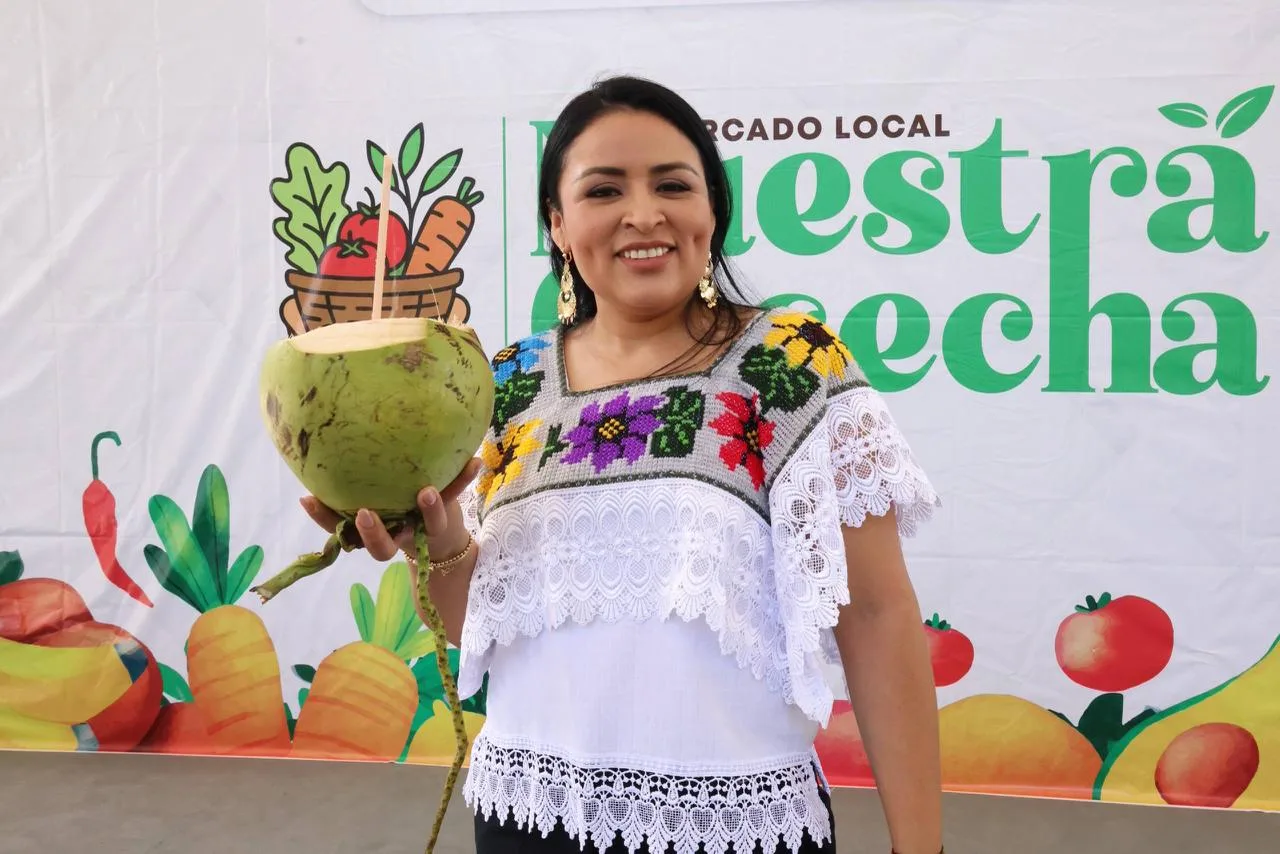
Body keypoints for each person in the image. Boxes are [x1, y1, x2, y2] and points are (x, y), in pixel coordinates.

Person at [303, 75, 945, 854]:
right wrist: (429, 543)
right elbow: (477, 618)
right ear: (558, 223)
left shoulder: (788, 364)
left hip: (734, 829)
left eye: (672, 184)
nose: (643, 213)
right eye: (604, 189)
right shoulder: (504, 384)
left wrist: (922, 848)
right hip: (528, 817)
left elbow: (876, 615)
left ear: (712, 210)